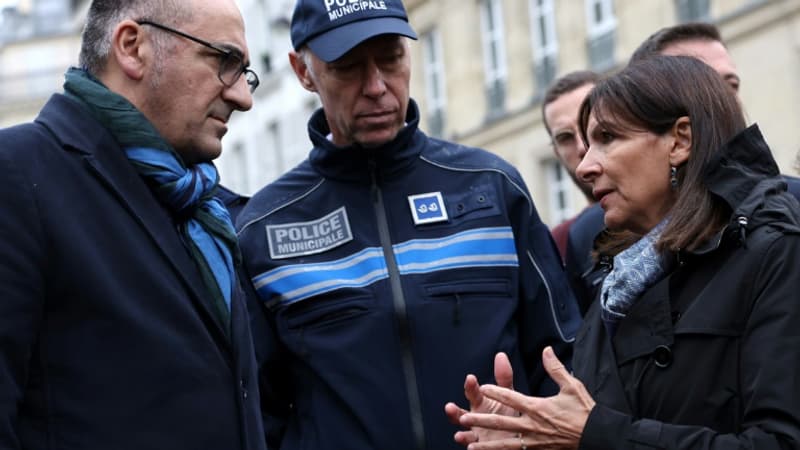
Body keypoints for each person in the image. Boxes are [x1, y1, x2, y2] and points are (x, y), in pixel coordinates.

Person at [235, 1, 582, 449]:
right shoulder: (263, 229)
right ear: (303, 71)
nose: (377, 86)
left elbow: (564, 358)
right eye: (348, 67)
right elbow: (256, 412)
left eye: (391, 58)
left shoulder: (492, 187)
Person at [446, 55, 800, 449]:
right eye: (581, 142)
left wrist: (593, 433)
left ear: (680, 140)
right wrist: (528, 437)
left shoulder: (777, 251)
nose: (584, 166)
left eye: (608, 138)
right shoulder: (617, 278)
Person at [0, 1, 267, 449]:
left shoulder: (202, 208)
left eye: (246, 72)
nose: (243, 96)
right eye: (224, 62)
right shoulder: (19, 175)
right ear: (132, 48)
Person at [541, 70, 603, 315]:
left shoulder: (666, 214)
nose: (582, 146)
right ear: (556, 152)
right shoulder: (557, 247)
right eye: (566, 137)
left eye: (591, 126)